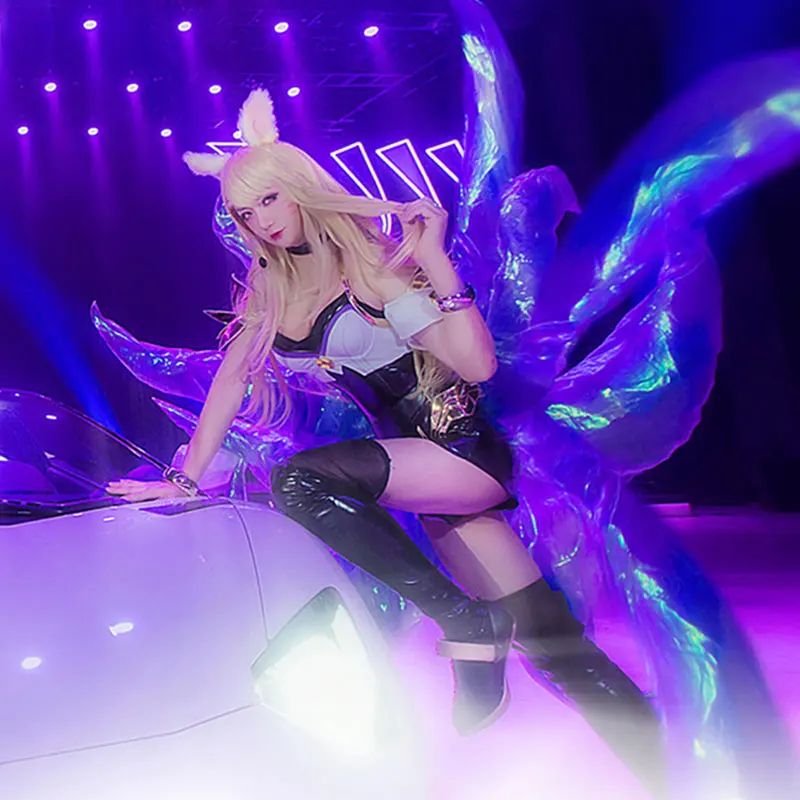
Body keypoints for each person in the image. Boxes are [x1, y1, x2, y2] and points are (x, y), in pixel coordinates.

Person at [107, 89, 665, 792]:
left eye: (271, 199)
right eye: (247, 213)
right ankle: (668, 772)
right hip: (423, 476)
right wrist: (185, 477)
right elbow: (227, 383)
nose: (263, 220)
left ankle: (465, 624)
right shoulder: (272, 289)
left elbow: (476, 365)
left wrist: (434, 258)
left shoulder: (369, 269)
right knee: (555, 645)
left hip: (460, 451)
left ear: (300, 187)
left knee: (300, 480)